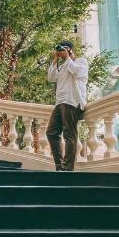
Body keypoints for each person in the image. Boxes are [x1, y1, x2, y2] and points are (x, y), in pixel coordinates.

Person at [45, 41, 88, 172]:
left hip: (72, 101)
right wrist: (55, 59)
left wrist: (67, 58)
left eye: (64, 48)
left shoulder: (81, 61)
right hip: (60, 103)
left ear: (70, 50)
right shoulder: (63, 66)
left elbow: (77, 72)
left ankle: (68, 168)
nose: (62, 51)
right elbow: (51, 78)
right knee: (51, 132)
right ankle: (59, 165)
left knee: (69, 134)